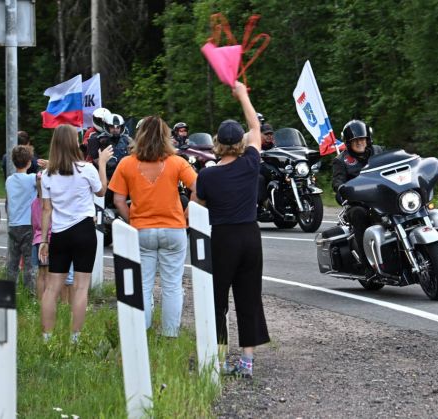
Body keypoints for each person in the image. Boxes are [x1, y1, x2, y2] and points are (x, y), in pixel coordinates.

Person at [193, 81, 270, 378]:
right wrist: (243, 96)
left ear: (217, 144)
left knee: (218, 299)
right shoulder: (251, 162)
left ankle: (221, 359)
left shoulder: (208, 175)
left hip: (222, 238)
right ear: (241, 142)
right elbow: (254, 125)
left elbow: (195, 205)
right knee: (249, 297)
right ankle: (247, 361)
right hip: (250, 236)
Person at [109, 116, 197, 337]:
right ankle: (170, 334)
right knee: (172, 285)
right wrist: (185, 217)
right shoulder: (177, 162)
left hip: (142, 230)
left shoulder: (127, 163)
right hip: (174, 228)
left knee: (144, 285)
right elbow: (198, 188)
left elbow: (118, 199)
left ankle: (143, 330)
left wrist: (132, 221)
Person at [39, 124, 112, 343]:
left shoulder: (47, 174)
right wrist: (102, 164)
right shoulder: (86, 169)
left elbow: (46, 210)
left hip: (60, 233)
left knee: (52, 288)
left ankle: (47, 337)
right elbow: (101, 190)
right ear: (74, 143)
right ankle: (75, 337)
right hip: (84, 230)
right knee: (81, 287)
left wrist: (44, 240)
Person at [332, 120, 383, 275]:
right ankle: (367, 263)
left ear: (368, 139)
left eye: (363, 138)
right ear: (348, 142)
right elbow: (337, 182)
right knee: (359, 214)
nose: (360, 142)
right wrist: (342, 188)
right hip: (358, 202)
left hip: (383, 196)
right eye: (355, 140)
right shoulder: (341, 160)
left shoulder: (378, 151)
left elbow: (394, 161)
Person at [31, 171, 74, 302]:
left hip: (37, 241)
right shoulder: (51, 204)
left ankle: (40, 299)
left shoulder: (33, 203)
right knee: (52, 274)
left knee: (41, 274)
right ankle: (51, 300)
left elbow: (33, 223)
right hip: (49, 241)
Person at [5, 145, 37, 292]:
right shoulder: (32, 179)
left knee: (13, 263)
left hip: (13, 225)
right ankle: (29, 293)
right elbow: (48, 175)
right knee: (29, 263)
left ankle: (10, 293)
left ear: (12, 161)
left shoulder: (9, 181)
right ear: (29, 162)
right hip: (28, 225)